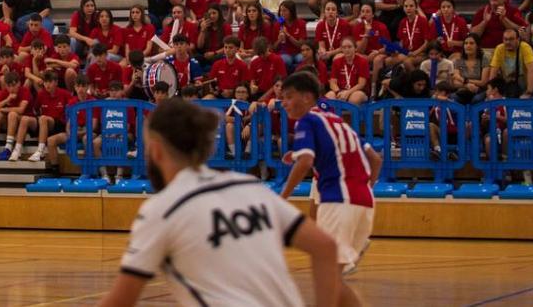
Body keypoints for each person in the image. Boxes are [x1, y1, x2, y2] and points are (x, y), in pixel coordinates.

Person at [99, 97, 346, 307]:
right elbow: (325, 246)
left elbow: (120, 301)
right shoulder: (250, 186)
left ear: (155, 150)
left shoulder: (162, 209)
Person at [279, 72, 381, 274]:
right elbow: (375, 159)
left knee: (327, 273)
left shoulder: (306, 121)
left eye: (289, 97)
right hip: (364, 202)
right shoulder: (336, 121)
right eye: (282, 98)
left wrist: (282, 197)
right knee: (335, 277)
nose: (283, 103)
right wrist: (367, 187)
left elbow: (305, 162)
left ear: (307, 97)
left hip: (337, 199)